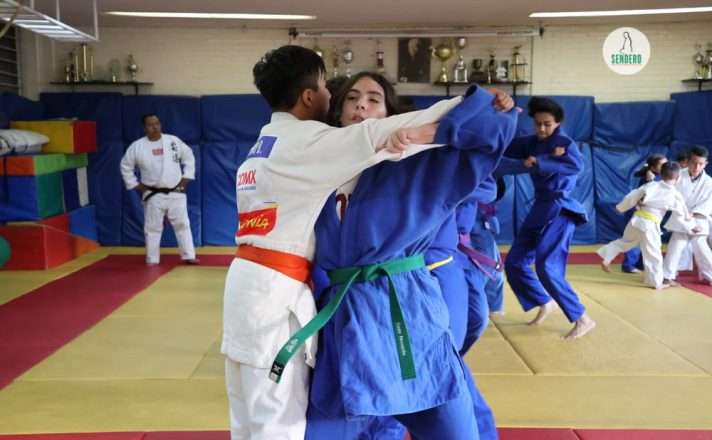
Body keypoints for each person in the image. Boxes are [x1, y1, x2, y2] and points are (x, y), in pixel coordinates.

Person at [221, 46, 469, 440]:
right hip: (283, 291)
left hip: (255, 285)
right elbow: (372, 136)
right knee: (278, 421)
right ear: (309, 97)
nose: (343, 99)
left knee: (250, 414)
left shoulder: (263, 146)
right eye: (332, 89)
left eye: (373, 99)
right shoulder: (310, 143)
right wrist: (465, 105)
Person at [298, 73, 516, 439]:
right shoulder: (318, 170)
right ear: (338, 111)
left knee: (452, 424)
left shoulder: (414, 166)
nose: (361, 104)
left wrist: (427, 134)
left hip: (407, 309)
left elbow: (494, 127)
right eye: (352, 98)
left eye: (373, 99)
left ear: (389, 114)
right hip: (344, 317)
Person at [498, 97, 596, 340]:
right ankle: (544, 301)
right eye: (538, 123)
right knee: (514, 262)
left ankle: (583, 318)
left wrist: (541, 161)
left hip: (560, 208)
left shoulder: (564, 143)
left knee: (546, 266)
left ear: (558, 123)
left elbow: (576, 166)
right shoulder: (530, 142)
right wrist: (504, 118)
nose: (542, 129)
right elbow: (504, 146)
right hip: (540, 207)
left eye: (547, 124)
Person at [598, 162, 696, 289]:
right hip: (650, 226)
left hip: (636, 220)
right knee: (654, 255)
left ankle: (607, 257)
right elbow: (681, 214)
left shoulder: (650, 185)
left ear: (661, 174)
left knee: (624, 242)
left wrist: (620, 208)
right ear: (678, 178)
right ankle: (656, 283)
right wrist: (690, 223)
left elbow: (632, 196)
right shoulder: (675, 194)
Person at [120, 113, 198, 265]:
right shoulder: (137, 147)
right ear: (144, 128)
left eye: (156, 123)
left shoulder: (172, 141)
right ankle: (152, 259)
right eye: (150, 125)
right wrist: (135, 185)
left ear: (160, 124)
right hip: (153, 193)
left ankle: (189, 255)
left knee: (182, 224)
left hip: (176, 190)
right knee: (152, 228)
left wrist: (186, 178)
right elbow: (125, 166)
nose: (154, 127)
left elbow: (189, 156)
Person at [663, 146, 712, 285]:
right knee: (676, 245)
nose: (697, 167)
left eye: (701, 164)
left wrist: (694, 213)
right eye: (694, 163)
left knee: (700, 245)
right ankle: (667, 276)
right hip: (681, 217)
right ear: (688, 161)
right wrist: (683, 212)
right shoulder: (677, 175)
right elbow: (668, 192)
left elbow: (708, 203)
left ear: (706, 164)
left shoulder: (709, 182)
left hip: (699, 218)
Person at [621, 154, 668, 273]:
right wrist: (651, 180)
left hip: (646, 213)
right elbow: (644, 196)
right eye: (662, 165)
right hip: (637, 211)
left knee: (647, 239)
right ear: (653, 167)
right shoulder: (650, 178)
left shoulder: (659, 177)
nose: (665, 166)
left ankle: (641, 264)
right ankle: (629, 265)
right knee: (636, 239)